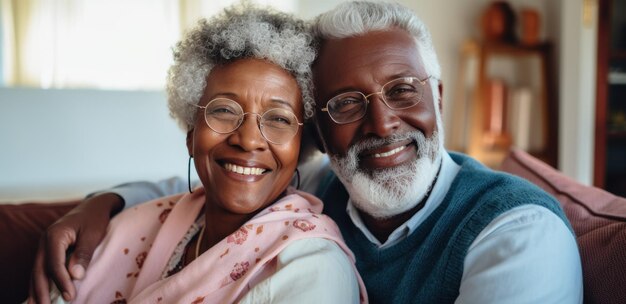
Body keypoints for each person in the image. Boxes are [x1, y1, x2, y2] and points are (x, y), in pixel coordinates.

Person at [31, 1, 583, 303]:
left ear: (437, 98)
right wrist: (100, 204)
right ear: (318, 131)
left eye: (403, 90)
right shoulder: (325, 187)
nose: (383, 123)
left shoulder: (517, 234)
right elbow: (203, 190)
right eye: (346, 103)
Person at [28, 4, 366, 304]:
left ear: (301, 145)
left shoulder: (311, 267)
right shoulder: (128, 228)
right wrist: (100, 202)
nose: (248, 140)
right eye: (224, 110)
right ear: (192, 134)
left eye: (278, 119)